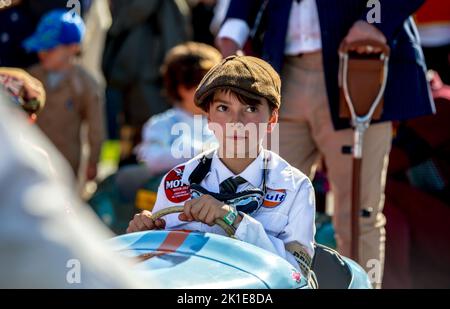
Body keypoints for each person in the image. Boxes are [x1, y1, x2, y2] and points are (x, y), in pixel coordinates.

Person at [216, 0, 435, 287]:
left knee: (358, 215)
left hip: (357, 68)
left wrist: (374, 20)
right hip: (280, 74)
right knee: (267, 210)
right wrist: (232, 32)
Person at [126, 55, 316, 278]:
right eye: (224, 108)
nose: (236, 121)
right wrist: (142, 239)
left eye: (251, 109)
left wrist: (234, 221)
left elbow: (298, 274)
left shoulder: (296, 187)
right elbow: (155, 269)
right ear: (208, 118)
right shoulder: (177, 180)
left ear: (272, 119)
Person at [24, 10, 105, 182]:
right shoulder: (30, 77)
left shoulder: (85, 84)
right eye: (41, 47)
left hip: (65, 163)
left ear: (73, 48)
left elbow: (95, 127)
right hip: (31, 157)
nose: (42, 53)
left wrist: (93, 161)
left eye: (50, 48)